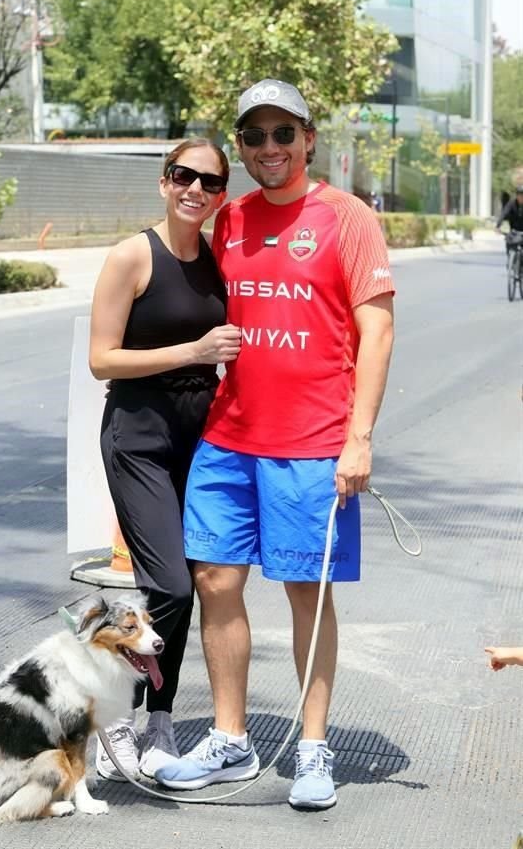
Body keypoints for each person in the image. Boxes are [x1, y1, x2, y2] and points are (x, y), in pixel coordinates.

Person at [155, 79, 395, 810]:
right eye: (253, 136)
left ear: (308, 138)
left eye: (281, 134)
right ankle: (231, 739)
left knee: (305, 593)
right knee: (217, 582)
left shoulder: (347, 218)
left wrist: (360, 438)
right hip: (229, 438)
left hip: (315, 445)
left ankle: (314, 746)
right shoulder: (228, 220)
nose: (267, 148)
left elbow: (377, 329)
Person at [88, 139, 241, 781]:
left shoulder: (215, 260)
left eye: (209, 182)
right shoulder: (132, 256)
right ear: (163, 181)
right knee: (173, 586)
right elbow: (102, 359)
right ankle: (116, 712)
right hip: (138, 441)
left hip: (199, 444)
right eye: (184, 176)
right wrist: (192, 351)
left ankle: (161, 719)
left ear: (220, 194)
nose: (195, 190)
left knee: (187, 587)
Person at [496, 185, 523, 252]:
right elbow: (504, 213)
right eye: (519, 194)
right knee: (509, 243)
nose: (521, 197)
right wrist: (498, 226)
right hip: (514, 232)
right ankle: (510, 260)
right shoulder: (511, 203)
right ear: (516, 195)